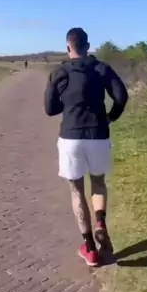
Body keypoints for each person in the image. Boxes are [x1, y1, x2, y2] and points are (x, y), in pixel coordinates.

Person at [44, 27, 128, 266]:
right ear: (88, 46)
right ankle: (100, 221)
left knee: (76, 191)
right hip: (98, 135)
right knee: (98, 183)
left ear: (67, 47)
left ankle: (90, 248)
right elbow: (121, 96)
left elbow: (49, 109)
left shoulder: (59, 73)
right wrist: (111, 116)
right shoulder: (101, 69)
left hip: (71, 137)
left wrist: (69, 105)